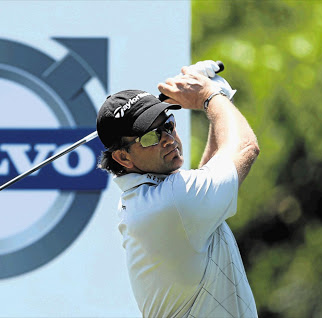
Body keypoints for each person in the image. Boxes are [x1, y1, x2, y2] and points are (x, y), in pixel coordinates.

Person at [96, 61, 260, 317]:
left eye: (168, 125)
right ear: (123, 158)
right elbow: (245, 148)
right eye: (150, 137)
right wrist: (210, 96)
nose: (168, 139)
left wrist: (217, 97)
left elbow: (209, 176)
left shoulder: (149, 197)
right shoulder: (170, 203)